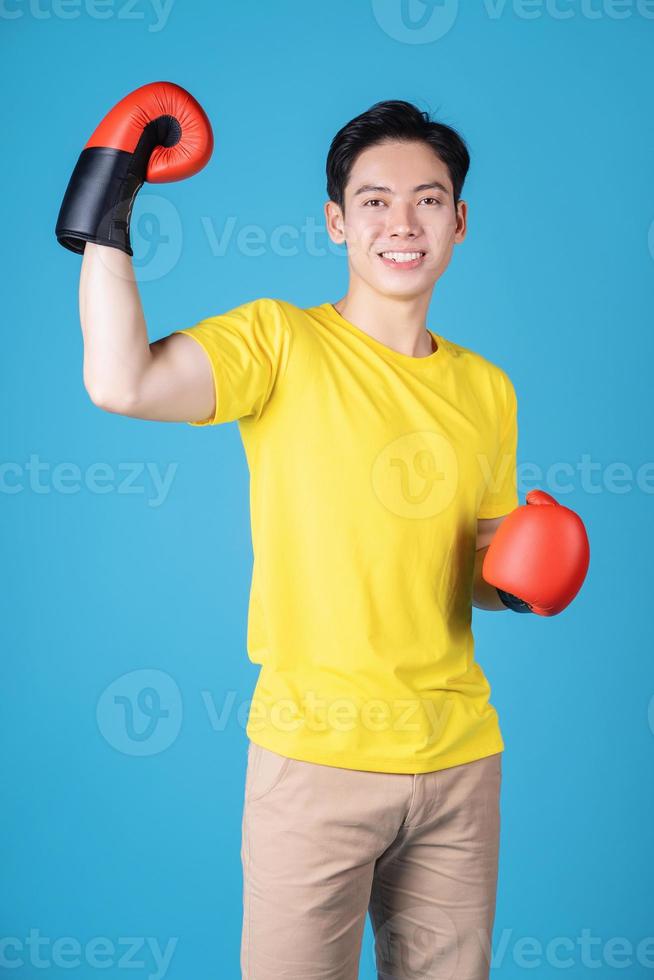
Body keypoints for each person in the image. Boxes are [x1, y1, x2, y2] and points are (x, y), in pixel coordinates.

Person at [56, 83, 589, 980]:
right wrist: (107, 201)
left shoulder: (487, 389)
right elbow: (123, 383)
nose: (402, 222)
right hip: (316, 761)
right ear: (337, 224)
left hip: (459, 760)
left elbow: (478, 572)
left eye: (427, 201)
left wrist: (526, 576)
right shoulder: (280, 343)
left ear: (459, 221)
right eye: (374, 201)